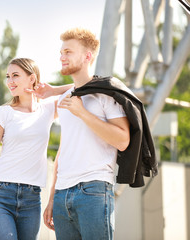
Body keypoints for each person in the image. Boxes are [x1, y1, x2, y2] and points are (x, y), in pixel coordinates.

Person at [42, 28, 131, 240]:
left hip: (93, 190)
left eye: (68, 52)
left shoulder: (106, 95)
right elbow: (64, 150)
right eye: (61, 52)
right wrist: (53, 196)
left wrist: (82, 113)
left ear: (87, 56)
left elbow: (123, 140)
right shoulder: (65, 97)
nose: (62, 57)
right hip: (63, 193)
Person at [0, 57, 73, 240]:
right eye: (8, 76)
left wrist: (53, 90)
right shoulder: (4, 112)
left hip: (31, 198)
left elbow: (80, 88)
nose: (10, 81)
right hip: (0, 195)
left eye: (15, 75)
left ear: (32, 78)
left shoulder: (47, 110)